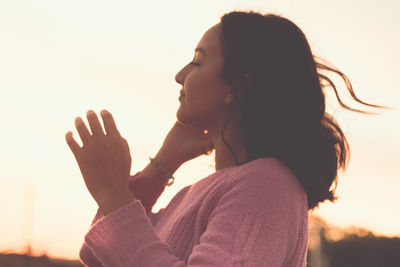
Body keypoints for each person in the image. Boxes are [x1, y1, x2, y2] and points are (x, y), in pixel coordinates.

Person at [65, 10, 388, 267]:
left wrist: (115, 194)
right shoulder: (203, 192)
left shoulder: (266, 185)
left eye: (198, 60)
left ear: (236, 88)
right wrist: (162, 164)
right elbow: (99, 253)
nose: (180, 75)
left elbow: (124, 239)